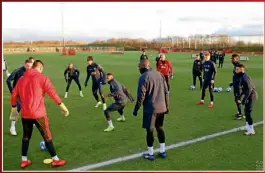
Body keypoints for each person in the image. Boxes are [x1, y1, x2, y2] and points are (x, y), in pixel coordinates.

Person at [10, 60, 69, 168]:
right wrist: (62, 106)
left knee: (26, 136)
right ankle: (55, 159)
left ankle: (24, 160)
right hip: (39, 114)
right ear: (40, 68)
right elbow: (52, 92)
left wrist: (14, 109)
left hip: (25, 114)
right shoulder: (43, 78)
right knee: (47, 135)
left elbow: (14, 95)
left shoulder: (21, 79)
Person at [133, 59, 169, 161]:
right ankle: (162, 151)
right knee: (160, 128)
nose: (138, 69)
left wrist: (136, 109)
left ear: (143, 66)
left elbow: (141, 96)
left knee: (150, 131)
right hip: (162, 107)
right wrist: (167, 107)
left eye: (139, 67)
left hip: (150, 109)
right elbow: (166, 92)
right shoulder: (160, 74)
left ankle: (150, 153)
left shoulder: (143, 77)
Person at [6, 58, 34, 136]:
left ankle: (32, 121)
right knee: (17, 109)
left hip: (26, 94)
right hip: (17, 94)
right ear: (24, 64)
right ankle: (12, 127)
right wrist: (12, 91)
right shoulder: (17, 71)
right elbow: (8, 80)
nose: (29, 68)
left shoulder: (31, 72)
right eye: (27, 66)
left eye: (30, 66)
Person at [235, 64, 257, 135]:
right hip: (248, 95)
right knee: (245, 111)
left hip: (251, 96)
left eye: (237, 69)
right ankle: (247, 126)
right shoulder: (242, 76)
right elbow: (244, 89)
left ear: (241, 69)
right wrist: (239, 96)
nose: (236, 71)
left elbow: (250, 89)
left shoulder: (244, 77)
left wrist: (245, 99)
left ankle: (251, 130)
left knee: (248, 113)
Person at [229, 54, 243, 120]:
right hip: (236, 85)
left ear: (237, 59)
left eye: (233, 59)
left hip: (238, 86)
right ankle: (239, 112)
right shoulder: (235, 66)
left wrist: (233, 83)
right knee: (237, 99)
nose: (232, 60)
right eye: (231, 59)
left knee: (237, 100)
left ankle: (240, 114)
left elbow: (241, 78)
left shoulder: (239, 66)